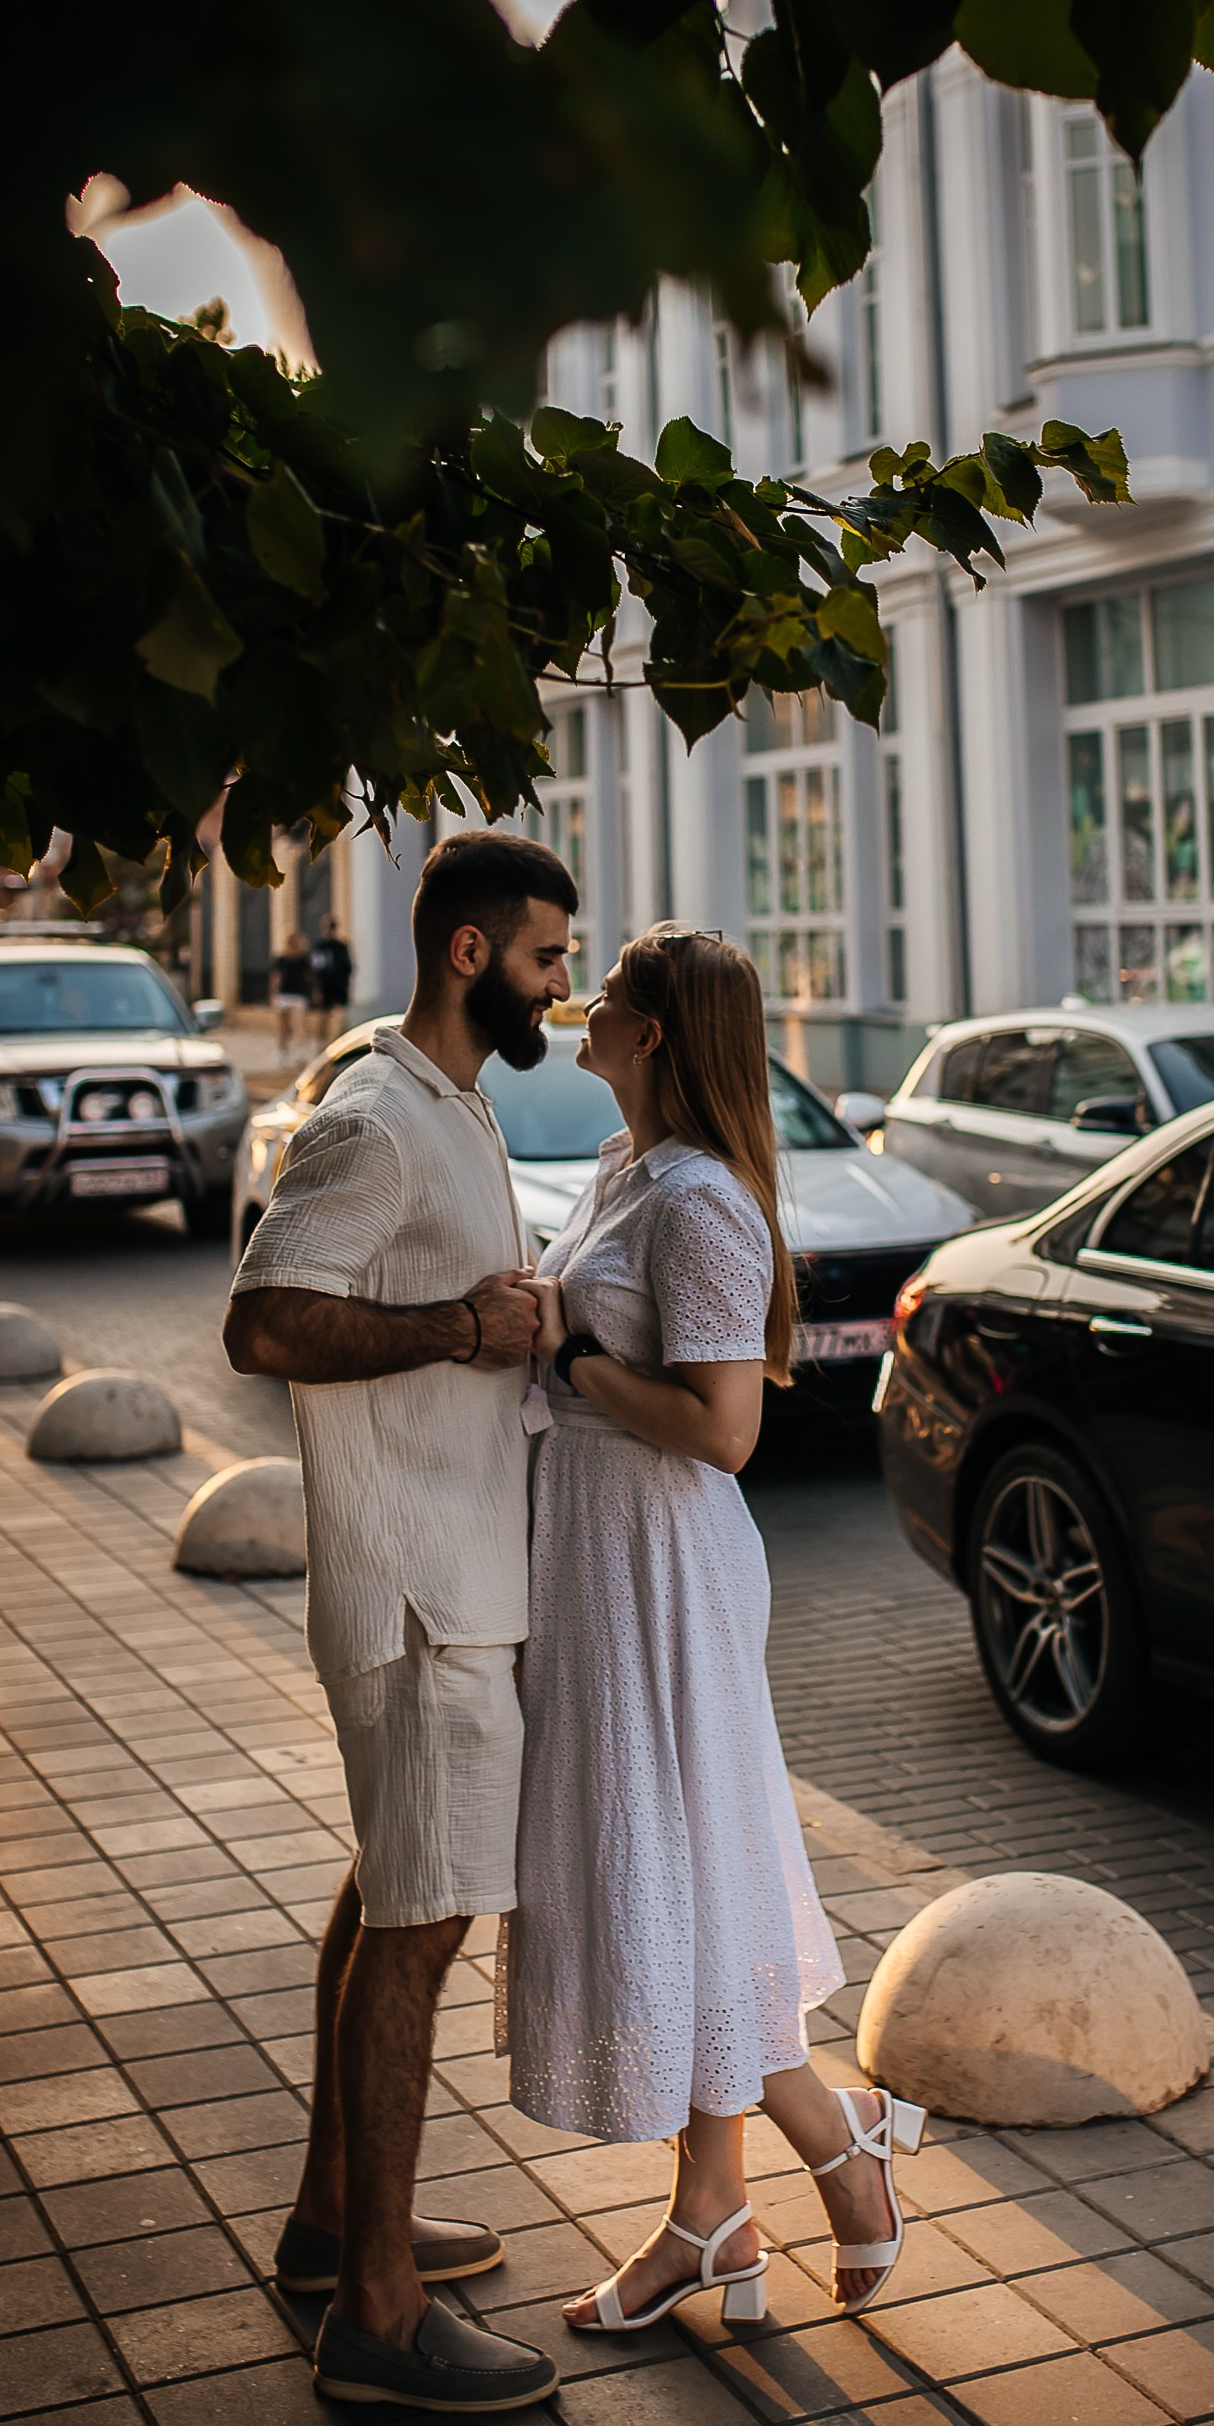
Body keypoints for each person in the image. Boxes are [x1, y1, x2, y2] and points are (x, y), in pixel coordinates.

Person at [508, 926, 927, 2332]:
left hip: (661, 1565)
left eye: (610, 992)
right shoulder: (631, 1170)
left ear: (658, 1033)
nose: (586, 1002)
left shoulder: (700, 1202)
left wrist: (568, 1355)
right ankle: (716, 2215)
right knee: (674, 1876)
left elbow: (727, 1429)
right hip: (599, 1554)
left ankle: (828, 2152)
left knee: (677, 1871)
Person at [224, 830, 577, 2415]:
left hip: (449, 1576)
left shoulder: (448, 1099)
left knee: (386, 1903)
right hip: (422, 1591)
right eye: (545, 958)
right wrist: (459, 1324)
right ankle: (375, 2313)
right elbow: (263, 1318)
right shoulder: (373, 1115)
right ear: (466, 954)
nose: (560, 987)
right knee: (422, 1933)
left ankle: (330, 2226)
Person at [270, 925, 313, 1062]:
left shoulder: (282, 959)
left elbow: (276, 979)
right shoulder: (304, 959)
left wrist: (272, 994)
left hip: (285, 995)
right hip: (298, 995)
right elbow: (309, 977)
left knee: (283, 1027)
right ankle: (299, 1053)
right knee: (298, 1026)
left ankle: (282, 1052)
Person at [311, 912, 353, 1038]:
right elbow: (316, 969)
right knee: (323, 1015)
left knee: (338, 1014)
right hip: (325, 985)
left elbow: (347, 967)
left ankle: (336, 1039)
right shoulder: (320, 946)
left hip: (338, 985)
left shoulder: (340, 946)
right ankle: (322, 1041)